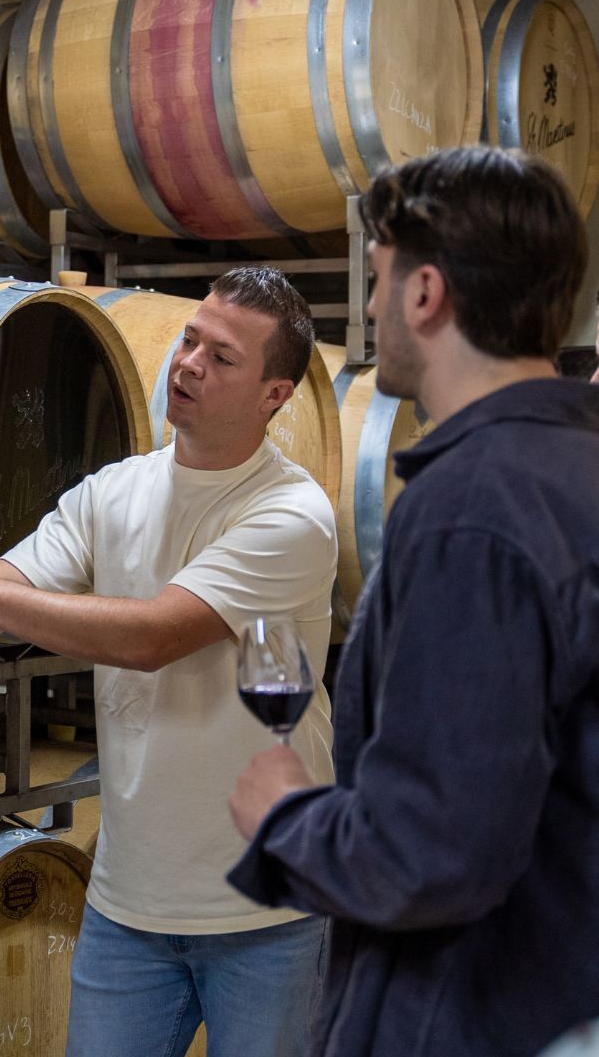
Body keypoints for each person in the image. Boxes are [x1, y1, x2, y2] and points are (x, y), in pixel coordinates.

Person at [0, 266, 337, 1057]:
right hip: (129, 906)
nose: (187, 364)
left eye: (222, 358)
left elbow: (151, 637)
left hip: (266, 914)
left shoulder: (291, 514)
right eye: (189, 340)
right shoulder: (113, 493)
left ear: (273, 396)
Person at [227, 146, 599, 1057]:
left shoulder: (475, 506)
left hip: (471, 1014)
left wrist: (287, 817)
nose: (368, 307)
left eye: (379, 277)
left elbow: (433, 852)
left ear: (427, 294)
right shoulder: (575, 471)